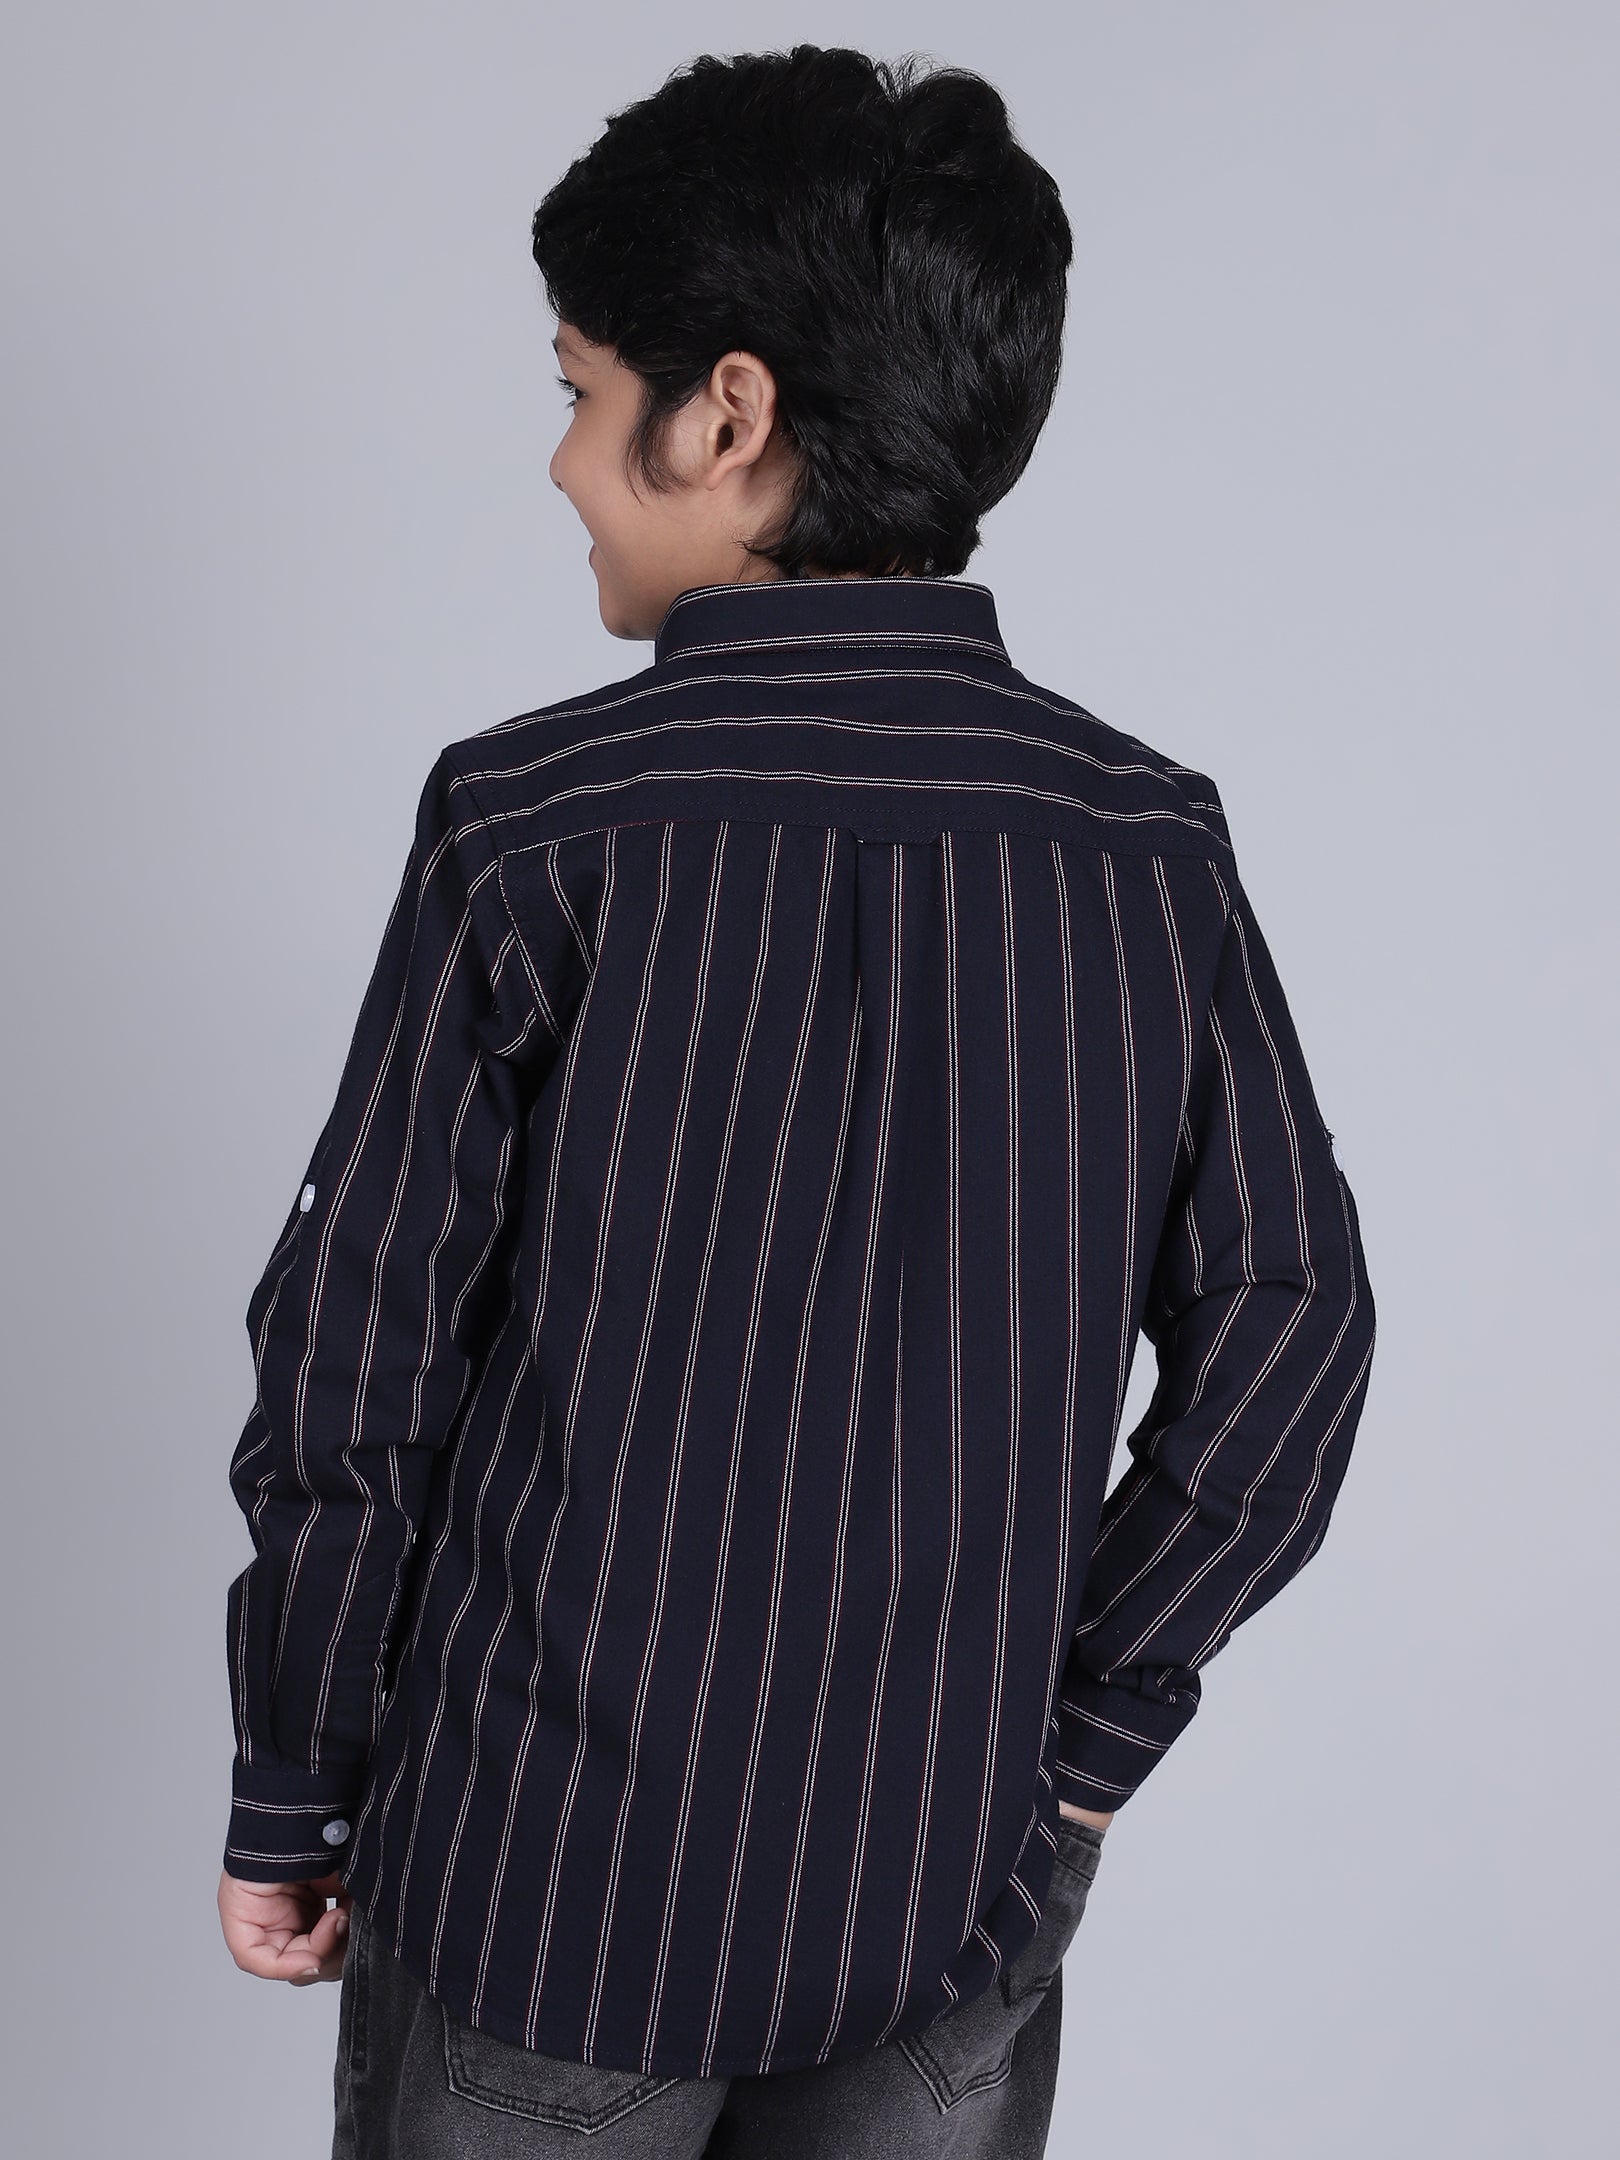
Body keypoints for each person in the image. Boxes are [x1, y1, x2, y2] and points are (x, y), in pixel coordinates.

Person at [216, 44, 1375, 2160]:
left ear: (726, 415)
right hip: (951, 1885)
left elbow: (355, 1353)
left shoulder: (538, 823)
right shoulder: (1141, 844)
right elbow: (1291, 1326)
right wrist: (1087, 1744)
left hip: (545, 1884)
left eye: (579, 390)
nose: (560, 459)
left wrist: (297, 1779)